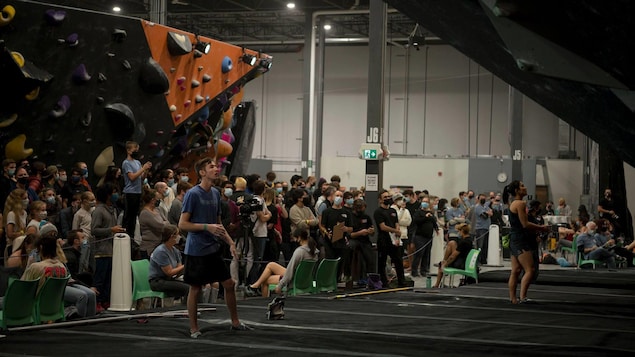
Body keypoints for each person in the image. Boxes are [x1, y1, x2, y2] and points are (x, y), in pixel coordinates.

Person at [178, 157, 250, 338]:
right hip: (196, 250)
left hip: (213, 248)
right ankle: (194, 328)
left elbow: (218, 225)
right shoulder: (193, 194)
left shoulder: (216, 194)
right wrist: (205, 227)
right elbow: (182, 225)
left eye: (217, 166)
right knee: (195, 288)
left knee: (229, 284)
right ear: (202, 172)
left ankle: (235, 322)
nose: (216, 169)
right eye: (211, 167)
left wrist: (231, 243)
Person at [503, 181, 548, 304]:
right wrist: (541, 228)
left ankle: (513, 299)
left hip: (514, 238)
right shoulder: (520, 203)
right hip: (520, 239)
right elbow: (525, 224)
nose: (525, 187)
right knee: (530, 269)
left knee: (516, 270)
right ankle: (523, 297)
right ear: (517, 191)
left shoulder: (513, 203)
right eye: (522, 186)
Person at [243, 228, 318, 297]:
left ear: (298, 238)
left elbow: (290, 270)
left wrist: (280, 285)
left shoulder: (300, 252)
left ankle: (257, 290)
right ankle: (255, 286)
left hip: (295, 279)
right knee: (271, 265)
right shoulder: (314, 251)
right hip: (304, 278)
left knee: (265, 280)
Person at [374, 190, 406, 288]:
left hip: (394, 240)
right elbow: (382, 227)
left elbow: (396, 224)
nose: (387, 199)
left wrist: (397, 235)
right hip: (384, 240)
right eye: (385, 197)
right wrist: (395, 231)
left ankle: (402, 282)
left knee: (398, 261)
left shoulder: (392, 211)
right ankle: (384, 283)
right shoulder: (378, 212)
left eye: (388, 196)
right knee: (382, 262)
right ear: (380, 200)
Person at [148, 224, 189, 299]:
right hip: (158, 282)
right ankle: (185, 308)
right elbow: (169, 272)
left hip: (169, 279)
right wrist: (186, 265)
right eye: (177, 234)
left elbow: (178, 269)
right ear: (171, 236)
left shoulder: (175, 250)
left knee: (194, 285)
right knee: (187, 288)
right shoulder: (161, 251)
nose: (179, 237)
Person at [122, 141, 152, 238]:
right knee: (128, 217)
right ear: (128, 150)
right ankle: (125, 236)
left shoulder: (137, 162)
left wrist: (146, 170)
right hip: (130, 192)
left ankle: (132, 237)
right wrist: (143, 168)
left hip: (138, 191)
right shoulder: (126, 163)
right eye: (135, 150)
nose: (136, 152)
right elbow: (132, 177)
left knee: (134, 217)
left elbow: (141, 178)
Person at [432, 223, 472, 288]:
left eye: (459, 231)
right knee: (452, 243)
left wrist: (446, 263)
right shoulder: (469, 239)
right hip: (464, 261)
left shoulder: (464, 242)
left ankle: (436, 284)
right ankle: (444, 261)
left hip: (461, 264)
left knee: (441, 264)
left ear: (462, 231)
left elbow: (453, 256)